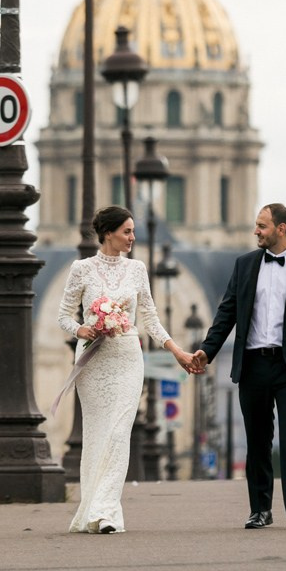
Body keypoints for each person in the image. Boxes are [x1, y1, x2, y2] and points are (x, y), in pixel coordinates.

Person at [191, 203, 286, 529]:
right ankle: (260, 510)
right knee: (257, 441)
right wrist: (206, 351)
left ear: (281, 229)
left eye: (262, 226)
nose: (256, 231)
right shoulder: (244, 265)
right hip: (253, 365)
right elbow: (226, 313)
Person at [56, 206, 196, 534]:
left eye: (133, 231)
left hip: (128, 357)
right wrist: (81, 330)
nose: (133, 238)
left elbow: (149, 317)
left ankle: (106, 512)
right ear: (108, 233)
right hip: (93, 360)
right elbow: (63, 315)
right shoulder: (82, 269)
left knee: (119, 433)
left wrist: (176, 350)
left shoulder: (137, 269)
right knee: (97, 435)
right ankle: (91, 509)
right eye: (127, 232)